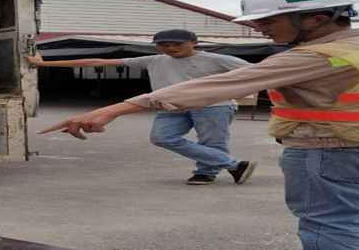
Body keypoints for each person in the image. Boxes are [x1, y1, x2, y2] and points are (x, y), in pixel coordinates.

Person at [41, 0, 359, 250]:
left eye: (270, 20)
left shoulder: (314, 56)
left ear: (316, 18)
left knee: (329, 214)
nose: (260, 28)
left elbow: (219, 85)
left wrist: (114, 109)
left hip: (332, 148)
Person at [28, 29, 256, 185]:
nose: (170, 48)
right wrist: (45, 64)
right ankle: (234, 165)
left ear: (194, 43)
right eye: (163, 44)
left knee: (212, 142)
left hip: (212, 105)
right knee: (162, 137)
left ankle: (206, 173)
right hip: (169, 106)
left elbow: (254, 73)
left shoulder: (215, 59)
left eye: (177, 44)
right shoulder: (154, 60)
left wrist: (234, 91)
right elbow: (97, 62)